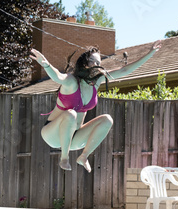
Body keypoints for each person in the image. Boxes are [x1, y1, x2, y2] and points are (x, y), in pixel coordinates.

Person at [30, 40, 161, 172]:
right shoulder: (71, 82)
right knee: (71, 114)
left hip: (74, 138)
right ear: (85, 63)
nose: (97, 65)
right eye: (93, 61)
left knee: (107, 120)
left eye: (99, 63)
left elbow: (124, 70)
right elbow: (58, 76)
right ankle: (64, 158)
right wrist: (46, 65)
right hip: (53, 134)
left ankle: (83, 157)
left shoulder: (96, 83)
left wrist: (150, 53)